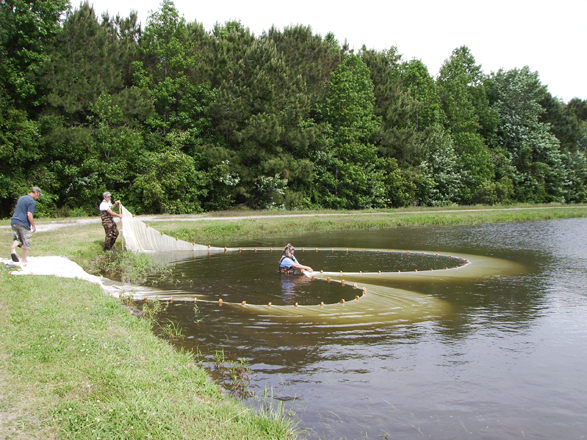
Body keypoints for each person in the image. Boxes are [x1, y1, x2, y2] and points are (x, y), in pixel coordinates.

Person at [10, 186, 42, 263]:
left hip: (14, 221)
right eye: (39, 195)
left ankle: (13, 248)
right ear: (36, 192)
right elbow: (29, 214)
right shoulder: (31, 202)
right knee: (26, 241)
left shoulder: (21, 198)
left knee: (18, 238)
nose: (38, 197)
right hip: (23, 223)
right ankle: (24, 260)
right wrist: (33, 226)